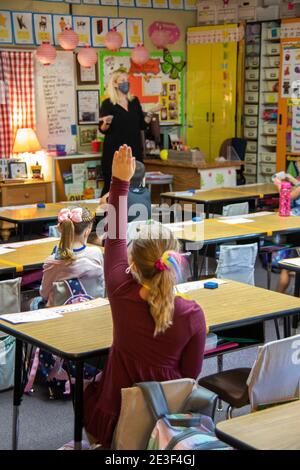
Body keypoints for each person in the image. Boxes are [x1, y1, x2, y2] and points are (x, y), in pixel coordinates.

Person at [84, 145, 207, 449]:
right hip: (167, 423)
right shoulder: (192, 314)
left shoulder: (120, 290)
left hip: (115, 416)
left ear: (133, 265)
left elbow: (114, 235)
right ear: (176, 259)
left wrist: (119, 181)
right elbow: (189, 378)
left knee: (86, 395)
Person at [99, 69, 161, 196]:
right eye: (122, 80)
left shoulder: (134, 101)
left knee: (134, 186)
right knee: (112, 186)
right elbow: (103, 129)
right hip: (115, 152)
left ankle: (132, 214)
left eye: (127, 80)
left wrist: (150, 112)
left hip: (134, 151)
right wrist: (107, 122)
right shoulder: (108, 104)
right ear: (115, 84)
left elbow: (142, 125)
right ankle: (107, 213)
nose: (125, 83)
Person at [39, 206, 105, 307]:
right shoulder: (96, 253)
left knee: (31, 302)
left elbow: (44, 294)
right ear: (88, 230)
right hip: (92, 309)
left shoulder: (51, 261)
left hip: (60, 315)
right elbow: (103, 284)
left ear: (61, 229)